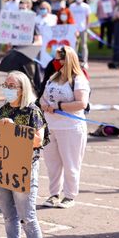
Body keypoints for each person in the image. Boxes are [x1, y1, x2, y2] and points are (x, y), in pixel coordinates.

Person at [0, 71, 47, 238]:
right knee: (8, 217)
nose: (7, 89)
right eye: (5, 85)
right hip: (1, 169)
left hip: (24, 169)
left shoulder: (32, 111)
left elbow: (38, 140)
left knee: (27, 218)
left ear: (22, 90)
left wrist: (15, 129)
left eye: (11, 86)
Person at [40, 46, 90, 209]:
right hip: (50, 125)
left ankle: (69, 195)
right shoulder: (54, 77)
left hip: (71, 127)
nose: (55, 62)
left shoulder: (79, 79)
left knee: (71, 163)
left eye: (58, 59)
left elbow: (82, 103)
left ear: (67, 59)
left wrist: (58, 106)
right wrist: (45, 105)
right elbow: (42, 96)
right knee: (52, 163)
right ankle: (54, 194)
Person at [69, 0, 91, 66]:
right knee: (74, 45)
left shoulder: (86, 6)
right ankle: (74, 61)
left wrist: (87, 27)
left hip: (83, 28)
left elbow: (88, 17)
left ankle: (85, 61)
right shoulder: (72, 6)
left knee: (83, 45)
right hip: (74, 28)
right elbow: (70, 17)